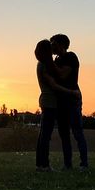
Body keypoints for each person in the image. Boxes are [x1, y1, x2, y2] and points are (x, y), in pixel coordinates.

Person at [34, 39, 80, 172]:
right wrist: (72, 92)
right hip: (50, 102)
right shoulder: (45, 65)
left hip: (46, 101)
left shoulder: (41, 64)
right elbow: (54, 85)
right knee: (46, 135)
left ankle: (40, 164)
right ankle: (44, 165)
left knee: (43, 134)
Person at [49, 34, 88, 171]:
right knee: (64, 133)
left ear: (60, 44)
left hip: (72, 99)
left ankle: (84, 164)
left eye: (52, 43)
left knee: (77, 131)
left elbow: (62, 74)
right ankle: (67, 164)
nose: (51, 46)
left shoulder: (71, 57)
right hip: (61, 101)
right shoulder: (56, 60)